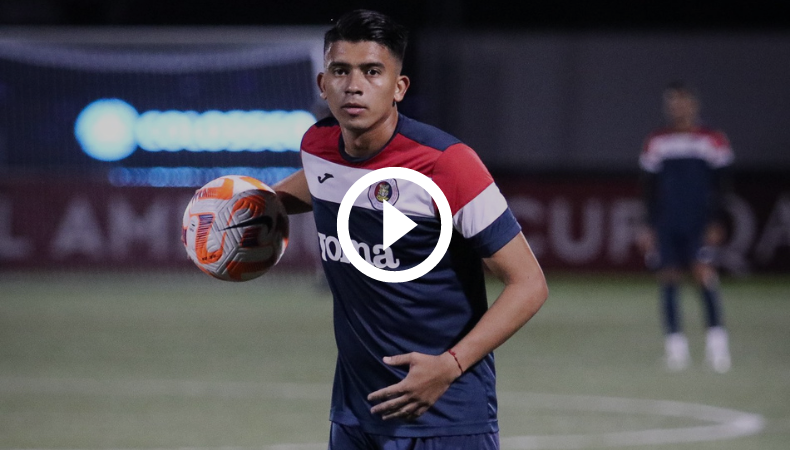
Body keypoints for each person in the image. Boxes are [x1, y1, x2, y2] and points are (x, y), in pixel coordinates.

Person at [274, 9, 548, 449]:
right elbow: (319, 183)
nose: (354, 85)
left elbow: (529, 283)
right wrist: (247, 209)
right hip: (355, 415)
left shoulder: (447, 164)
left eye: (372, 71)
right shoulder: (318, 147)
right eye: (341, 71)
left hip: (446, 416)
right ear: (323, 84)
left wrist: (449, 366)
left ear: (399, 87)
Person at [637, 80, 733, 373]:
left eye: (682, 102)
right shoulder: (657, 141)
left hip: (698, 222)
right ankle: (676, 350)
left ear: (693, 104)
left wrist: (717, 221)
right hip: (667, 222)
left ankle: (718, 347)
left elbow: (722, 186)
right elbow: (649, 189)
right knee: (668, 278)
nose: (677, 108)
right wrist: (648, 226)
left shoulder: (712, 140)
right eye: (672, 103)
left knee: (704, 275)